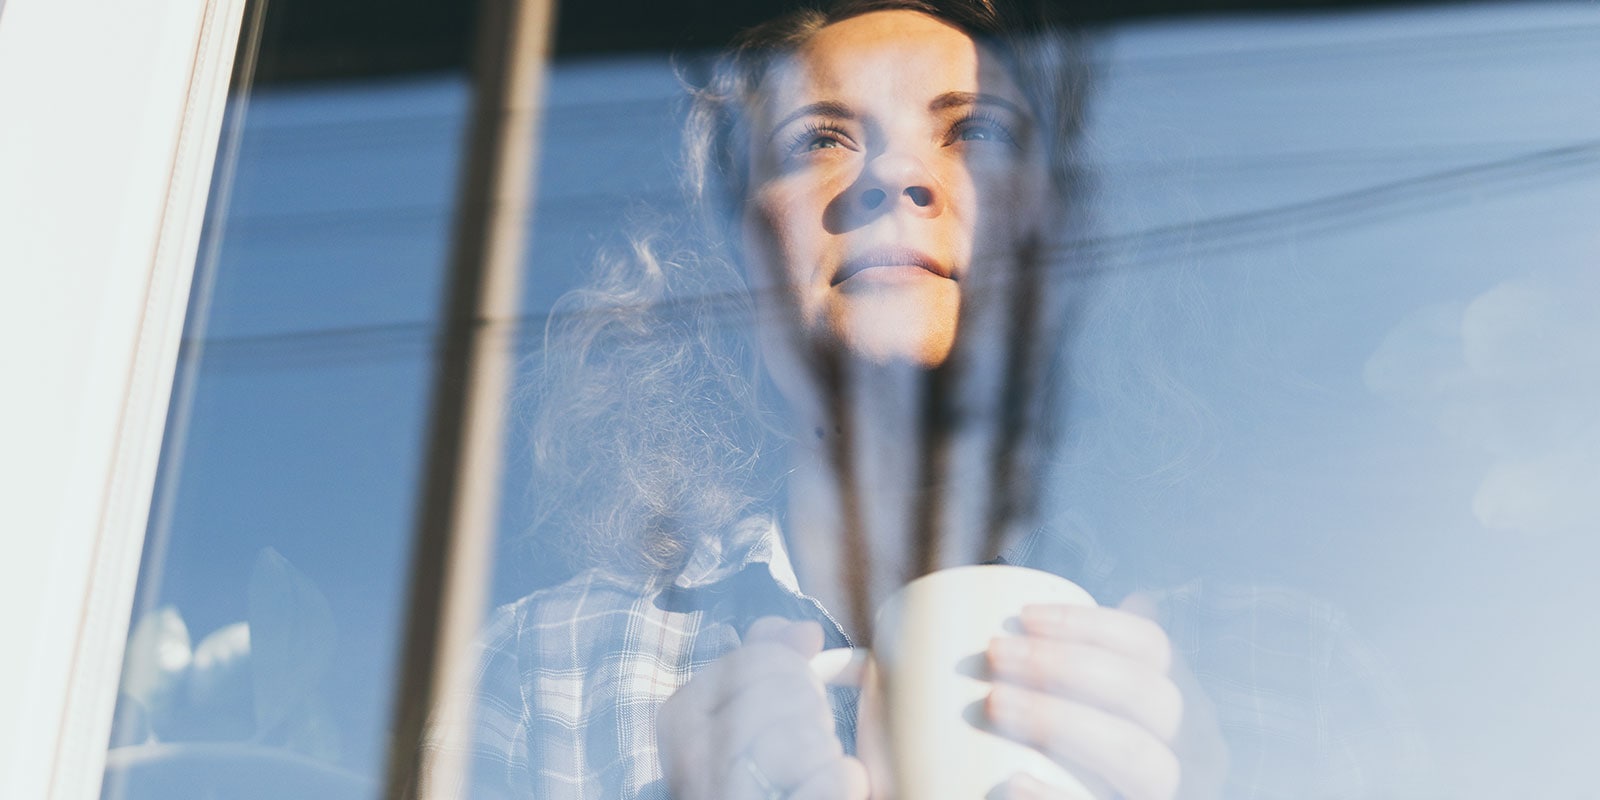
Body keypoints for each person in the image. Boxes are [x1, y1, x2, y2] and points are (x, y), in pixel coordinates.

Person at [429, 1, 1427, 798]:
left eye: (976, 132)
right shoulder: (546, 670)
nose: (897, 173)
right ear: (734, 257)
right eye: (817, 139)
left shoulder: (1281, 673)